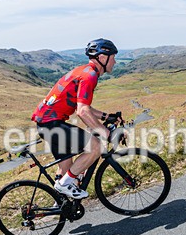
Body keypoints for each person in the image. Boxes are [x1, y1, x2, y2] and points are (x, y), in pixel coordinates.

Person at [31, 38, 120, 199]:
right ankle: (64, 185)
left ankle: (60, 205)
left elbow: (84, 105)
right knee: (96, 147)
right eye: (113, 57)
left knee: (67, 169)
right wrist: (106, 133)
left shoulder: (84, 71)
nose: (115, 61)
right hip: (52, 124)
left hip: (46, 123)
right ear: (102, 58)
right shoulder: (90, 76)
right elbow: (83, 112)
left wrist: (107, 116)